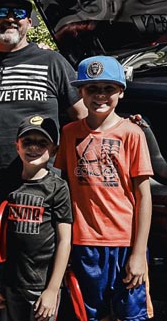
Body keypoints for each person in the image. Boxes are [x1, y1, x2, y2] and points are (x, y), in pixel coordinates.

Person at [0, 0, 86, 321]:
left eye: (19, 12)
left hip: (42, 194)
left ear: (29, 21)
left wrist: (124, 124)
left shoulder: (52, 63)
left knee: (37, 290)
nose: (10, 18)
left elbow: (85, 119)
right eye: (1, 11)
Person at [54, 55, 154, 321]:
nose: (100, 95)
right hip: (83, 242)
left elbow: (144, 196)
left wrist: (138, 253)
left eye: (108, 88)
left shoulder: (132, 133)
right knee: (88, 313)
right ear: (81, 93)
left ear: (120, 91)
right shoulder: (70, 133)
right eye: (92, 88)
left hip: (124, 241)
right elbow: (63, 187)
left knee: (131, 314)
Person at [0, 115, 73, 321]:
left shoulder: (58, 188)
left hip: (41, 286)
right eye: (27, 141)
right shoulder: (8, 183)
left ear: (54, 150)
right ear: (17, 146)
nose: (33, 147)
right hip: (10, 284)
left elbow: (64, 241)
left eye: (42, 143)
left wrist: (52, 289)